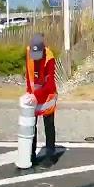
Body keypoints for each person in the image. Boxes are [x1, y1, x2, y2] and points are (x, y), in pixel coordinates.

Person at [24, 33, 58, 168]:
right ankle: (30, 155)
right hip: (34, 95)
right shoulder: (28, 53)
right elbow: (29, 75)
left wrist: (36, 95)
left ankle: (51, 156)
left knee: (48, 125)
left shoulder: (49, 57)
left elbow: (50, 84)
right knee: (32, 125)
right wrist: (29, 92)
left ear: (43, 49)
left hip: (48, 96)